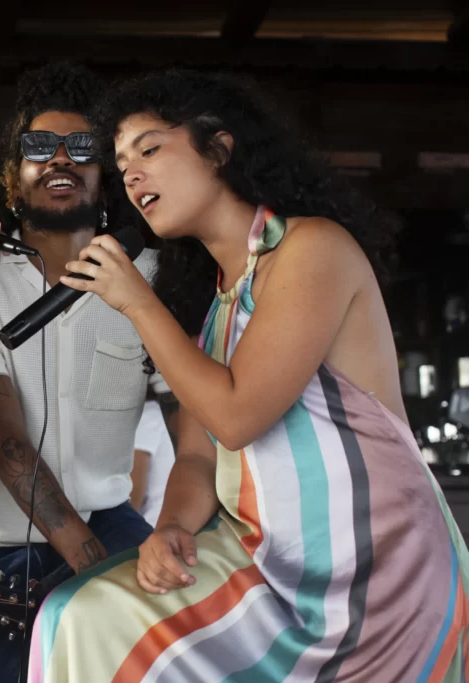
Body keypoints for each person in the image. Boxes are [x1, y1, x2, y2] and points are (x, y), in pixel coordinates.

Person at [29, 68, 468, 682]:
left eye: (150, 149)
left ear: (219, 148)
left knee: (85, 617)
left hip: (371, 573)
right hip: (272, 564)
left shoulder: (312, 249)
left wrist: (136, 303)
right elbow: (198, 457)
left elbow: (236, 418)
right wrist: (174, 527)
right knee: (75, 616)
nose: (129, 175)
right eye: (122, 162)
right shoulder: (214, 308)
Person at [0, 62, 165, 683]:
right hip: (2, 551)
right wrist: (95, 566)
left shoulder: (154, 275)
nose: (61, 160)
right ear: (13, 172)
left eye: (82, 147)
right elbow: (5, 443)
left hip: (115, 524)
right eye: (39, 147)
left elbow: (194, 412)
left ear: (105, 169)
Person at [129, 396, 176, 527]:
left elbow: (132, 498)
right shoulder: (159, 414)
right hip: (167, 531)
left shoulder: (145, 415)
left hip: (149, 532)